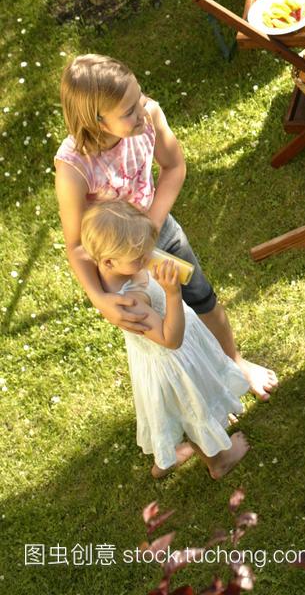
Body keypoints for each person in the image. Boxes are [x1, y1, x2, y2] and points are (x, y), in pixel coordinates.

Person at [54, 54, 277, 401]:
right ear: (96, 120)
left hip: (160, 232)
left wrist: (153, 229)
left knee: (202, 299)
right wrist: (100, 299)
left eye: (138, 98)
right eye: (128, 111)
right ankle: (203, 397)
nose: (140, 112)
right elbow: (77, 245)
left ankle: (234, 363)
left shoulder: (149, 116)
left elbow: (174, 167)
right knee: (163, 338)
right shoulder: (73, 168)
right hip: (120, 264)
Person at [80, 200, 249, 479]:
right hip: (174, 361)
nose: (147, 258)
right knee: (190, 408)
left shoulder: (112, 266)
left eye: (148, 249)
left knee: (169, 411)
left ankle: (165, 458)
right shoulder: (131, 301)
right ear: (108, 261)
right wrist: (172, 293)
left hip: (157, 361)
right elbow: (171, 339)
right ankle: (218, 461)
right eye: (139, 257)